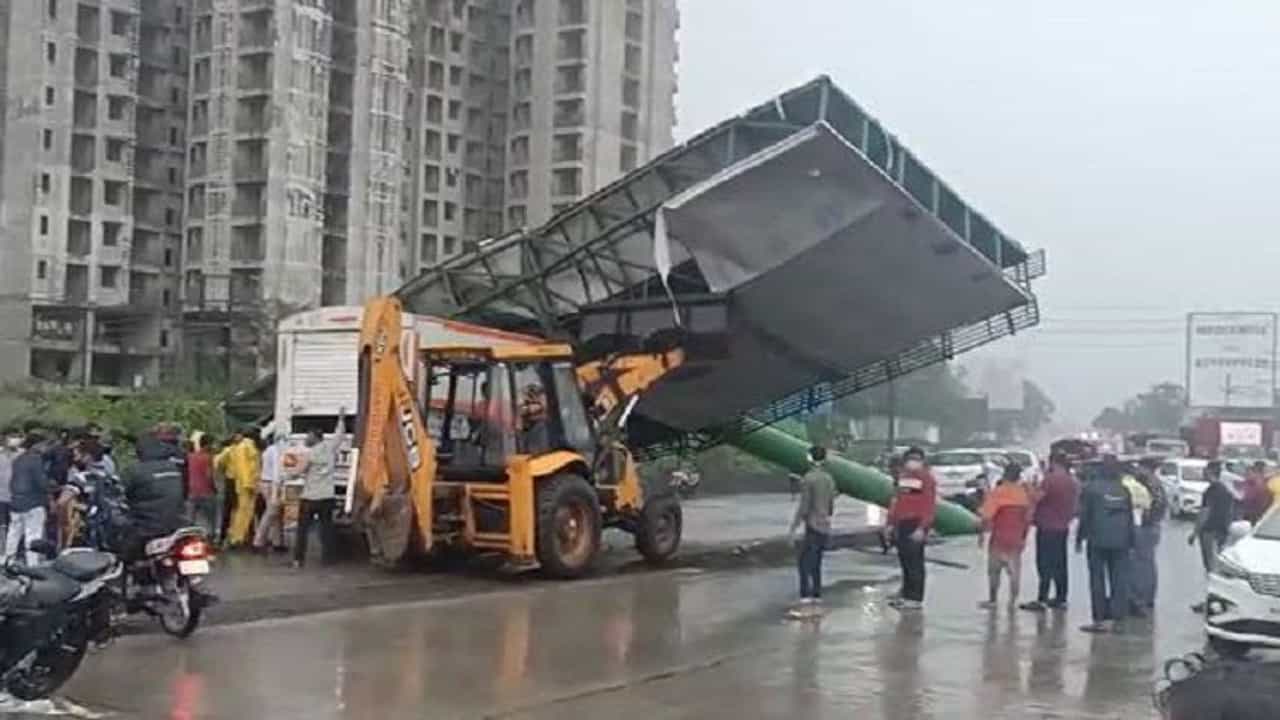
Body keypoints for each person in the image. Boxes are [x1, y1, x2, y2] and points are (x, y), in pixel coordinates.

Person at [1076, 454, 1136, 633]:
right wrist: (1131, 541)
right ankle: (1117, 617)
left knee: (1097, 580)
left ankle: (1100, 618)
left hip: (1097, 541)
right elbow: (1130, 517)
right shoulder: (1123, 490)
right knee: (1119, 579)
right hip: (1121, 542)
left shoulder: (1091, 489)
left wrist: (1080, 538)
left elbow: (1085, 516)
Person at [1021, 454, 1078, 612]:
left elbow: (1036, 498)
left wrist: (1028, 488)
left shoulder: (1050, 480)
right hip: (1063, 527)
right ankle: (1061, 598)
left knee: (1044, 564)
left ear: (1054, 463)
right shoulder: (1072, 481)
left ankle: (1042, 599)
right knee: (1060, 563)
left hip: (1046, 527)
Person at [119, 432, 188, 558]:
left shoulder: (134, 470)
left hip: (147, 526)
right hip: (177, 523)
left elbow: (120, 492)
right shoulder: (173, 467)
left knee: (125, 555)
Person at [885, 446, 937, 611]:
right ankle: (906, 595)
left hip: (916, 523)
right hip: (902, 523)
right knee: (905, 561)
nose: (913, 462)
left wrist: (922, 528)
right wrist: (890, 524)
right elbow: (897, 502)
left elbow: (929, 506)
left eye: (917, 459)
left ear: (922, 461)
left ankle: (915, 598)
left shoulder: (927, 479)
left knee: (915, 561)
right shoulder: (904, 478)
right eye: (910, 458)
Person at [787, 445, 836, 617]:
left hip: (813, 525)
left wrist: (793, 528)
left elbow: (804, 507)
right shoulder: (829, 479)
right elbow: (831, 505)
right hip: (824, 525)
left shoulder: (808, 479)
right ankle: (816, 595)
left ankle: (805, 598)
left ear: (809, 458)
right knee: (816, 563)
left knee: (804, 562)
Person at [292, 412, 346, 568]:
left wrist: (287, 474)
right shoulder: (330, 448)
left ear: (315, 437)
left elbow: (298, 471)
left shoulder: (309, 454)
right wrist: (341, 419)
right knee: (327, 529)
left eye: (308, 436)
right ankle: (328, 559)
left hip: (310, 497)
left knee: (302, 530)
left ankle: (298, 559)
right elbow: (339, 435)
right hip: (327, 496)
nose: (306, 439)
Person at [978, 463, 1032, 610]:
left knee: (994, 571)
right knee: (1014, 572)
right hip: (1016, 538)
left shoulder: (998, 492)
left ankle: (993, 600)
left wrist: (981, 534)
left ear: (1005, 475)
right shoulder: (1023, 494)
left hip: (999, 537)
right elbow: (1028, 519)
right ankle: (1012, 603)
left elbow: (986, 516)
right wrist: (1023, 537)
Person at [1189, 459, 1234, 613]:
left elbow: (1204, 513)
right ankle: (1214, 600)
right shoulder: (1226, 491)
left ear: (1210, 472)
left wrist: (1194, 533)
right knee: (1216, 567)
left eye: (1205, 471)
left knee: (1211, 568)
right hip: (1221, 532)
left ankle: (1212, 601)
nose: (1203, 474)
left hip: (1209, 532)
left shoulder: (1211, 491)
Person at [7, 434, 52, 565]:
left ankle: (8, 561)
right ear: (36, 445)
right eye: (44, 444)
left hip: (16, 501)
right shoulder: (36, 460)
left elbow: (13, 481)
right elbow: (41, 483)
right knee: (33, 534)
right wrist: (51, 488)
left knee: (13, 533)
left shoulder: (18, 460)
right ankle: (33, 564)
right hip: (33, 502)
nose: (45, 447)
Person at [1129, 458, 1167, 614]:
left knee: (1140, 565)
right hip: (1153, 527)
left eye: (1140, 467)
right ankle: (1148, 598)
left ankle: (1140, 600)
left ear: (1147, 468)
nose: (1137, 470)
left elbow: (1150, 507)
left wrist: (1142, 521)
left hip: (1146, 528)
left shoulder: (1148, 484)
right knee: (1148, 564)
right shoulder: (1156, 483)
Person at [219, 429, 261, 548]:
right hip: (243, 484)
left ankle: (235, 537)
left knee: (237, 511)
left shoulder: (240, 447)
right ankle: (237, 538)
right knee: (242, 511)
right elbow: (245, 468)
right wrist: (249, 484)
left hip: (236, 482)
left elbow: (218, 462)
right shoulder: (246, 447)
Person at [253, 433, 287, 553]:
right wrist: (276, 491)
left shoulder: (268, 451)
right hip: (272, 484)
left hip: (266, 483)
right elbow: (276, 471)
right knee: (271, 513)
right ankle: (258, 542)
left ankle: (278, 542)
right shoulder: (276, 451)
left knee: (277, 514)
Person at [186, 433, 218, 539]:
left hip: (192, 491)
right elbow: (209, 476)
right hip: (206, 492)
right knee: (210, 519)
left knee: (190, 519)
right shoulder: (208, 458)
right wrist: (214, 488)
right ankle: (211, 539)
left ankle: (188, 538)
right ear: (207, 445)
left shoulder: (190, 456)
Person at [0, 432, 16, 557]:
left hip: (16, 496)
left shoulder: (20, 455)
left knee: (14, 525)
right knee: (2, 525)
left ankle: (11, 551)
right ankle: (2, 550)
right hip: (1, 496)